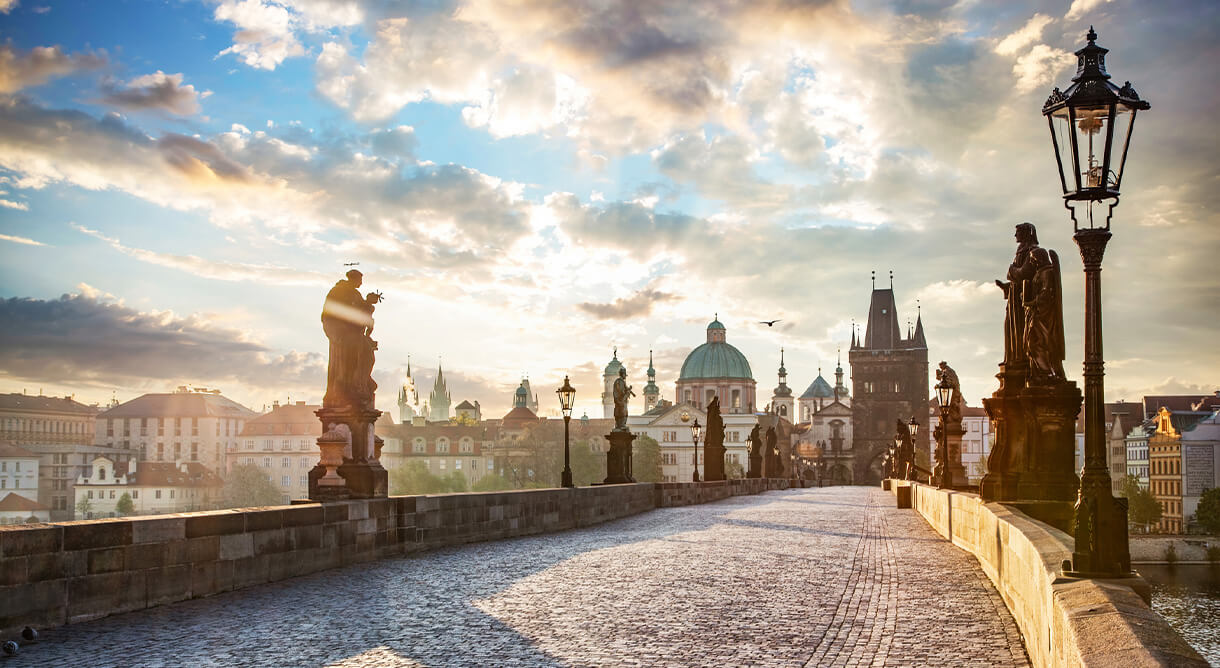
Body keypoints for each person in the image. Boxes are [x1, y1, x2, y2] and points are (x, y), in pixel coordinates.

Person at [321, 269, 382, 409]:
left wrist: (369, 303)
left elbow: (360, 311)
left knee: (368, 352)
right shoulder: (337, 291)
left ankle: (361, 382)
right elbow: (340, 312)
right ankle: (350, 387)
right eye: (360, 280)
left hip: (353, 333)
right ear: (354, 279)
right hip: (342, 333)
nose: (361, 283)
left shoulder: (355, 293)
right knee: (356, 352)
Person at [996, 223, 1040, 373]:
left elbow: (1025, 274)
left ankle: (1020, 359)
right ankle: (1012, 358)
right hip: (1014, 299)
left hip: (1023, 301)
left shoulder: (1033, 252)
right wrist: (1006, 287)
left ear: (1026, 234)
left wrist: (1011, 270)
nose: (1015, 236)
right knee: (1009, 326)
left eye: (1018, 232)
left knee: (1020, 329)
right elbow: (1018, 278)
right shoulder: (1021, 252)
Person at [612, 366, 634, 431]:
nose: (625, 377)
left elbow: (622, 390)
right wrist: (627, 392)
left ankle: (620, 425)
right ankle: (621, 425)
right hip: (621, 401)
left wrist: (628, 390)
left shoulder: (619, 381)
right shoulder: (620, 382)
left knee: (622, 413)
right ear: (623, 374)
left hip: (619, 401)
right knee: (623, 413)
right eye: (625, 375)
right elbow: (621, 392)